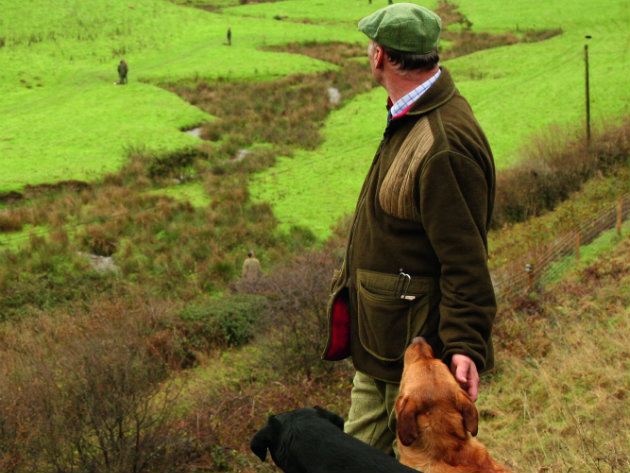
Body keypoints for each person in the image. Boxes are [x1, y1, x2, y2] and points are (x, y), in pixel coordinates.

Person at [321, 3, 496, 457]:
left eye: (369, 47)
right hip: (386, 342)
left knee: (395, 461)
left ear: (379, 56)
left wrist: (464, 345)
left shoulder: (442, 145)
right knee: (353, 457)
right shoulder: (415, 112)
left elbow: (465, 260)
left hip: (412, 350)